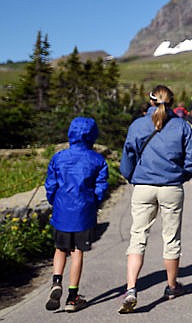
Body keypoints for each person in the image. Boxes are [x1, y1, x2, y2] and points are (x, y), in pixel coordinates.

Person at [118, 85, 192, 313]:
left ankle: (131, 288)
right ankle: (172, 287)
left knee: (138, 237)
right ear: (171, 101)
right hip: (171, 187)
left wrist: (133, 177)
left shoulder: (137, 125)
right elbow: (190, 162)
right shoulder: (182, 126)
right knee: (171, 239)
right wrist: (178, 177)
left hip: (143, 185)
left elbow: (127, 157)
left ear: (150, 101)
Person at [44, 117, 109, 313]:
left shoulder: (58, 157)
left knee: (60, 249)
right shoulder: (98, 160)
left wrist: (54, 201)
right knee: (77, 252)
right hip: (83, 212)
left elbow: (51, 185)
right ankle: (73, 297)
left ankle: (56, 281)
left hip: (62, 209)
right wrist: (94, 203)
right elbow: (101, 189)